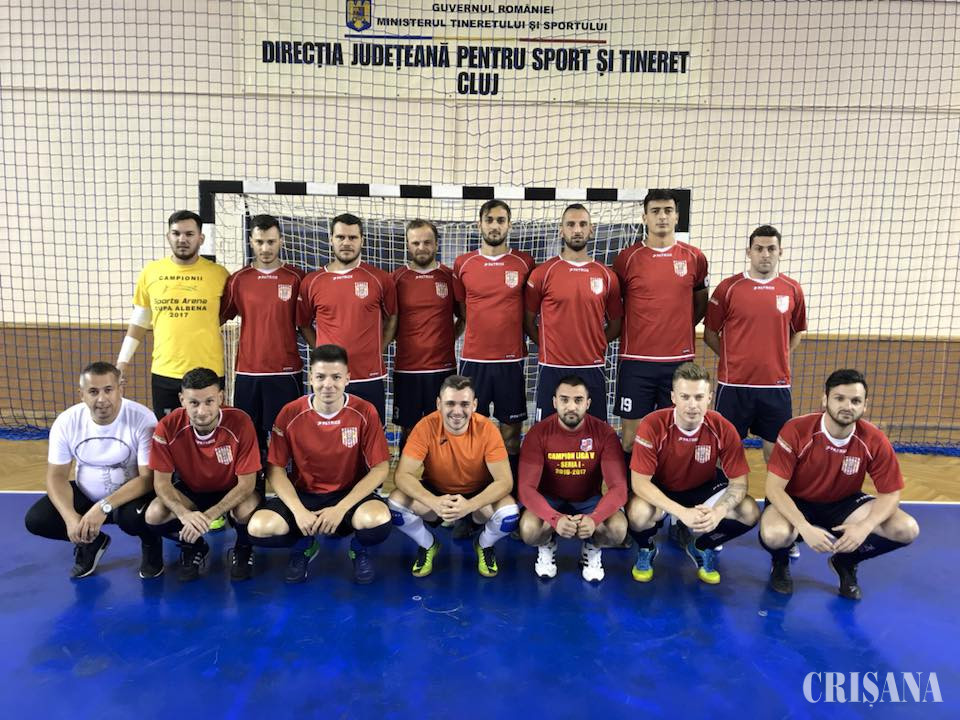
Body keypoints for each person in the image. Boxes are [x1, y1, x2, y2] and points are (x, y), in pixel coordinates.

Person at [760, 369, 919, 600]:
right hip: (796, 499)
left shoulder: (874, 439)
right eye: (840, 398)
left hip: (844, 502)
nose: (847, 406)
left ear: (865, 406)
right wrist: (803, 526)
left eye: (855, 401)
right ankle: (780, 562)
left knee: (906, 529)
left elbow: (891, 493)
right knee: (775, 534)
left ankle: (845, 562)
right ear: (825, 400)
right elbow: (774, 488)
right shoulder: (797, 430)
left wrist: (865, 526)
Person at [246, 345, 392, 584]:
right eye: (321, 377)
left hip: (348, 496)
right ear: (310, 378)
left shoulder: (365, 411)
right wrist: (298, 511)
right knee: (259, 528)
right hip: (305, 495)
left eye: (336, 377)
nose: (328, 385)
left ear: (347, 378)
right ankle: (304, 544)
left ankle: (358, 548)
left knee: (377, 521)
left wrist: (341, 508)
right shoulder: (290, 413)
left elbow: (380, 468)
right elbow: (275, 468)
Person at [626, 362, 759, 584]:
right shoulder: (653, 424)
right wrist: (681, 513)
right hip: (662, 488)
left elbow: (739, 483)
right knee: (637, 513)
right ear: (673, 397)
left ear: (709, 398)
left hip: (703, 488)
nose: (692, 405)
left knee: (749, 511)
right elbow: (639, 483)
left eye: (699, 397)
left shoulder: (723, 428)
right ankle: (647, 547)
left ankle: (702, 545)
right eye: (685, 397)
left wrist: (718, 512)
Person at [24, 362, 160, 579]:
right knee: (37, 519)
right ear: (82, 395)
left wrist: (104, 506)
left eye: (108, 390)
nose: (102, 399)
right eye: (93, 392)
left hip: (129, 499)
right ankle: (90, 542)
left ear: (120, 389)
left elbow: (148, 478)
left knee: (135, 519)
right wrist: (70, 518)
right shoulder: (66, 422)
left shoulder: (142, 419)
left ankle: (151, 544)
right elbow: (56, 476)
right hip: (86, 493)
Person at [387, 375, 519, 578]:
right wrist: (433, 501)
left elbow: (505, 482)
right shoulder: (425, 426)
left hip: (477, 496)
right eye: (450, 403)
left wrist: (470, 505)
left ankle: (484, 544)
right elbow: (402, 475)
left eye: (464, 404)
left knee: (509, 513)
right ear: (438, 404)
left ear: (474, 405)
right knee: (395, 503)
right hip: (437, 493)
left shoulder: (487, 429)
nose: (457, 411)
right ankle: (428, 544)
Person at [613, 190, 709, 469]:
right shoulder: (626, 259)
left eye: (668, 210)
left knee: (675, 437)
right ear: (645, 217)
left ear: (677, 216)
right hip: (636, 363)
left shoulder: (694, 257)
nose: (662, 216)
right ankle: (631, 492)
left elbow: (699, 305)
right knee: (631, 440)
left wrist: (677, 328)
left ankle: (669, 492)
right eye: (655, 211)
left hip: (678, 363)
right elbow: (615, 307)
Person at [143, 367, 261, 581]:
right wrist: (183, 514)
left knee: (246, 509)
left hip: (232, 488)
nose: (202, 411)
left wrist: (208, 516)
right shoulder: (167, 426)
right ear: (182, 400)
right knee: (154, 514)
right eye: (194, 403)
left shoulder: (241, 422)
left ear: (220, 398)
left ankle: (243, 547)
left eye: (209, 401)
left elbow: (246, 485)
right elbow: (161, 484)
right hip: (192, 490)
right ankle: (194, 545)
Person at [704, 225, 806, 462]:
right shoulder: (728, 288)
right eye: (759, 248)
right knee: (725, 454)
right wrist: (731, 358)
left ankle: (774, 492)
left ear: (780, 252)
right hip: (733, 386)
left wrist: (779, 354)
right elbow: (710, 334)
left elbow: (798, 331)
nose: (765, 254)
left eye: (771, 249)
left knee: (778, 457)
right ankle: (722, 488)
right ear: (749, 252)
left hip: (775, 386)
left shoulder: (792, 289)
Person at [220, 214, 308, 488]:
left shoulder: (297, 277)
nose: (265, 248)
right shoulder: (238, 280)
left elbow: (307, 322)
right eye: (260, 242)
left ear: (281, 241)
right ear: (251, 242)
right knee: (250, 436)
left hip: (286, 371)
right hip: (248, 372)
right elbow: (217, 319)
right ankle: (253, 490)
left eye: (271, 241)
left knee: (289, 435)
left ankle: (292, 491)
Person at [117, 210, 230, 419]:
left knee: (208, 431)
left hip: (209, 372)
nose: (182, 239)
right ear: (168, 236)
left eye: (189, 234)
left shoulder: (219, 274)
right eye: (176, 233)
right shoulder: (151, 272)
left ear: (201, 238)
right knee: (169, 432)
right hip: (165, 372)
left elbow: (224, 315)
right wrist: (122, 361)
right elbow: (140, 320)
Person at [453, 200, 535, 481]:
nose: (495, 226)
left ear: (509, 225)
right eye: (489, 220)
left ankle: (508, 490)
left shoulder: (524, 262)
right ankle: (470, 489)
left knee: (511, 434)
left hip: (510, 362)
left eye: (501, 220)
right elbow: (463, 310)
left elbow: (531, 311)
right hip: (473, 361)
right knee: (468, 431)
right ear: (480, 224)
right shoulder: (463, 263)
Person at [517, 376, 628, 582]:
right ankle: (547, 543)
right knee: (529, 530)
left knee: (618, 530)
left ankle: (592, 547)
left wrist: (595, 518)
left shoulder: (605, 433)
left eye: (578, 400)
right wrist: (554, 518)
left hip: (589, 501)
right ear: (554, 402)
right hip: (550, 500)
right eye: (564, 399)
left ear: (588, 403)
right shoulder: (538, 433)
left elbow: (619, 488)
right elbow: (526, 489)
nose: (571, 407)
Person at [525, 204, 622, 423]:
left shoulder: (607, 276)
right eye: (570, 224)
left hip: (592, 367)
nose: (577, 230)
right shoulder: (542, 274)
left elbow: (616, 324)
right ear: (561, 230)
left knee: (596, 432)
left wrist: (595, 343)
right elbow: (528, 321)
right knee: (546, 432)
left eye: (582, 224)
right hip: (552, 367)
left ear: (591, 229)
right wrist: (549, 345)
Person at [297, 213, 397, 424]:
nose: (346, 243)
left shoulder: (380, 279)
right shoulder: (312, 281)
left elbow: (392, 317)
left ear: (362, 240)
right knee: (328, 435)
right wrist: (324, 353)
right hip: (329, 379)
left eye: (352, 237)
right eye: (340, 237)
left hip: (369, 375)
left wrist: (378, 348)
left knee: (372, 434)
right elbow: (303, 324)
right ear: (331, 239)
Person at [392, 219, 463, 447]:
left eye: (427, 242)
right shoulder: (396, 279)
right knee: (409, 431)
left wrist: (446, 339)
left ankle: (442, 472)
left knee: (444, 429)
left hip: (442, 368)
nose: (421, 248)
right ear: (407, 245)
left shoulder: (449, 277)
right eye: (415, 243)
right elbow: (389, 322)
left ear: (436, 244)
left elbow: (463, 316)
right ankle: (406, 472)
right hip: (407, 368)